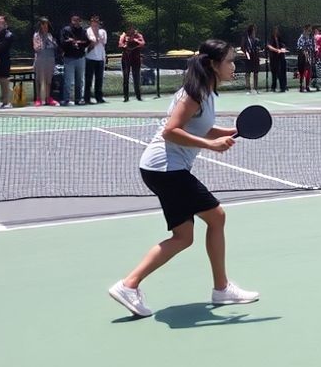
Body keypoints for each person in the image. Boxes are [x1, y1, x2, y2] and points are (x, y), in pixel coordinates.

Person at [108, 39, 260, 318]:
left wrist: (226, 133)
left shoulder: (207, 93)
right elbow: (171, 131)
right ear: (213, 65)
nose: (233, 66)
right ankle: (222, 288)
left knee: (183, 236)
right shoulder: (195, 94)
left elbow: (201, 126)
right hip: (167, 168)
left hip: (161, 170)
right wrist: (210, 146)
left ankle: (129, 285)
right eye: (229, 61)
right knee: (216, 217)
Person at [59, 14, 88, 106]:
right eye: (74, 20)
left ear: (80, 21)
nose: (76, 22)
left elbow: (87, 42)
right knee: (68, 81)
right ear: (71, 21)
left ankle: (78, 99)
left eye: (78, 20)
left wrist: (78, 43)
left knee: (80, 80)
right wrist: (70, 42)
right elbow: (62, 42)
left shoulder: (83, 31)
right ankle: (66, 99)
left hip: (80, 58)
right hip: (69, 58)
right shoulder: (66, 30)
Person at [31, 17, 59, 106]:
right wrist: (42, 42)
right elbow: (36, 48)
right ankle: (38, 99)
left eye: (46, 24)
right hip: (40, 59)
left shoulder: (50, 35)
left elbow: (55, 46)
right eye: (43, 24)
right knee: (39, 80)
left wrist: (52, 42)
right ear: (40, 25)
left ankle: (48, 98)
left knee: (49, 80)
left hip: (50, 59)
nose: (44, 26)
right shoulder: (36, 35)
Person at [118, 22, 146, 102]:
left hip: (136, 58)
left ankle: (138, 96)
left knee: (136, 77)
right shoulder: (123, 35)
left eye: (131, 28)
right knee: (125, 77)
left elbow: (143, 43)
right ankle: (126, 97)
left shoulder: (138, 35)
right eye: (128, 28)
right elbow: (120, 44)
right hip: (126, 58)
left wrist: (134, 40)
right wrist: (125, 44)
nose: (130, 29)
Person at [84, 14, 108, 105]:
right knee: (88, 79)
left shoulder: (103, 31)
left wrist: (97, 38)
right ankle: (87, 98)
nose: (95, 23)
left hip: (100, 58)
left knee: (99, 79)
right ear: (91, 22)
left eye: (97, 21)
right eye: (93, 21)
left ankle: (99, 98)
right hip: (90, 58)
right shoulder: (87, 31)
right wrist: (95, 41)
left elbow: (103, 42)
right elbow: (91, 42)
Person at [266, 26, 289, 93]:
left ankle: (283, 87)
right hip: (273, 58)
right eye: (275, 30)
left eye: (277, 30)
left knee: (281, 72)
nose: (276, 32)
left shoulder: (280, 38)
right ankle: (274, 87)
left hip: (281, 57)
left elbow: (283, 45)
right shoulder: (271, 38)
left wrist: (283, 49)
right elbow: (269, 46)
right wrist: (276, 50)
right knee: (274, 72)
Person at [241, 25, 261, 94]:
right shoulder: (245, 39)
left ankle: (256, 88)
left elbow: (259, 47)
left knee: (256, 73)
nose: (254, 31)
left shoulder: (256, 39)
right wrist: (246, 52)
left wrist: (258, 49)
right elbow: (242, 47)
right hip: (248, 57)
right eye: (253, 30)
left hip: (255, 57)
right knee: (248, 73)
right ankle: (248, 88)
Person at [296, 24, 316, 93]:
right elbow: (300, 47)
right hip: (302, 56)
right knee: (302, 72)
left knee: (309, 71)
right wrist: (305, 53)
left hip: (309, 55)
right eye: (308, 30)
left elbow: (313, 46)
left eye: (310, 30)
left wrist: (312, 54)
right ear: (305, 29)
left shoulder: (311, 38)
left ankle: (307, 86)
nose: (310, 31)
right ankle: (301, 86)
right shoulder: (301, 37)